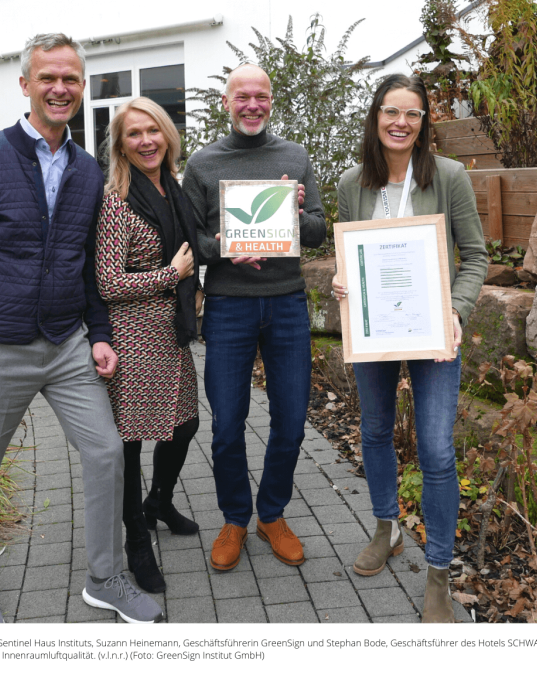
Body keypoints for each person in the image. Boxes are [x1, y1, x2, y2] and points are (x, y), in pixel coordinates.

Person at [0, 33, 162, 624]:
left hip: (66, 345)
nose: (60, 89)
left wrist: (102, 335)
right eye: (48, 78)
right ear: (26, 84)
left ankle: (105, 578)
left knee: (108, 452)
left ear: (83, 88)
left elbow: (86, 266)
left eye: (71, 80)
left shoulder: (87, 171)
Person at [331, 74, 488, 622]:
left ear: (424, 123)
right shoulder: (354, 182)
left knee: (437, 450)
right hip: (375, 329)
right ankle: (387, 527)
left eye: (413, 114)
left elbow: (476, 255)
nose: (401, 122)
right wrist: (341, 281)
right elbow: (351, 255)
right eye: (391, 111)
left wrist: (455, 309)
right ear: (376, 117)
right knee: (373, 430)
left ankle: (439, 574)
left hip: (431, 330)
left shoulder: (448, 176)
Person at [181, 63, 326, 571]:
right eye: (242, 96)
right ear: (226, 102)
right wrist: (221, 248)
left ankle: (272, 513)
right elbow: (191, 241)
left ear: (271, 100)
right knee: (227, 424)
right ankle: (235, 518)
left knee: (290, 421)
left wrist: (299, 210)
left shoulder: (294, 156)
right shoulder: (202, 164)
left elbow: (316, 233)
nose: (252, 105)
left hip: (286, 303)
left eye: (260, 96)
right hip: (228, 307)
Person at [95, 98, 203, 594]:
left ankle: (158, 501)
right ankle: (136, 543)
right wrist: (172, 275)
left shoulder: (172, 186)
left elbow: (192, 246)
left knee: (185, 424)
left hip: (171, 330)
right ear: (120, 145)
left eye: (153, 130)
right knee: (132, 443)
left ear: (167, 135)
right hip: (135, 335)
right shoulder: (117, 199)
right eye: (134, 134)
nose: (146, 141)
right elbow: (109, 282)